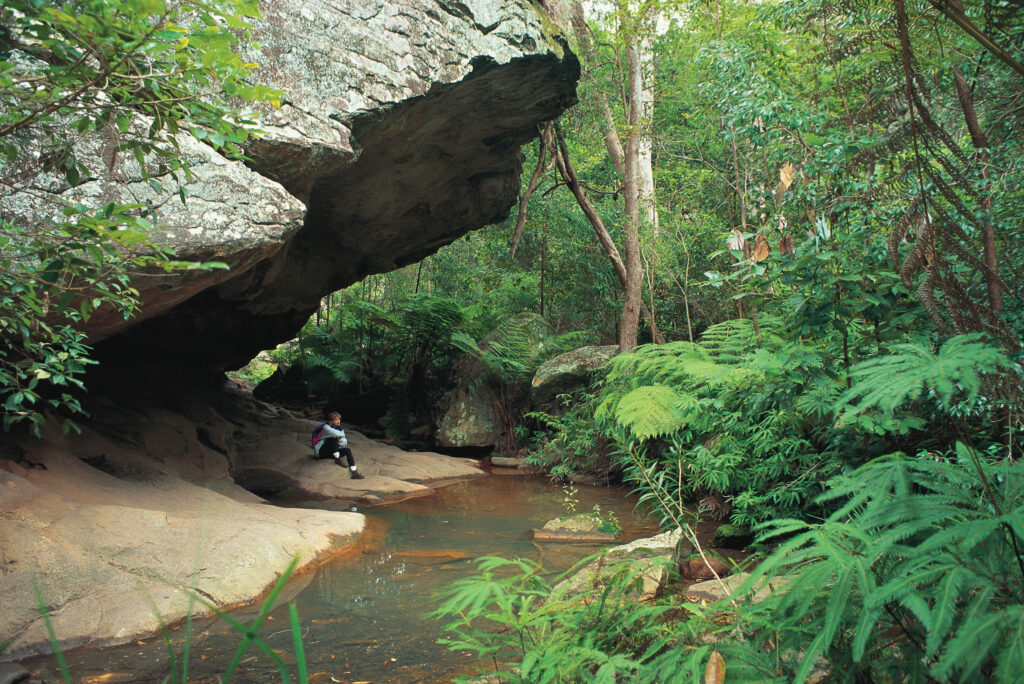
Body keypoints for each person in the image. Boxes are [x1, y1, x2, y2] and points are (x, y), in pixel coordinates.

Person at [314, 412, 365, 479]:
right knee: (332, 438)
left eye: (339, 419)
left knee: (347, 450)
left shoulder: (339, 428)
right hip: (321, 452)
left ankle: (354, 472)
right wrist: (341, 435)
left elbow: (344, 443)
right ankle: (337, 459)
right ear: (330, 421)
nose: (338, 421)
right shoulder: (326, 428)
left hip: (331, 452)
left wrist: (340, 436)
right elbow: (335, 434)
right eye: (336, 420)